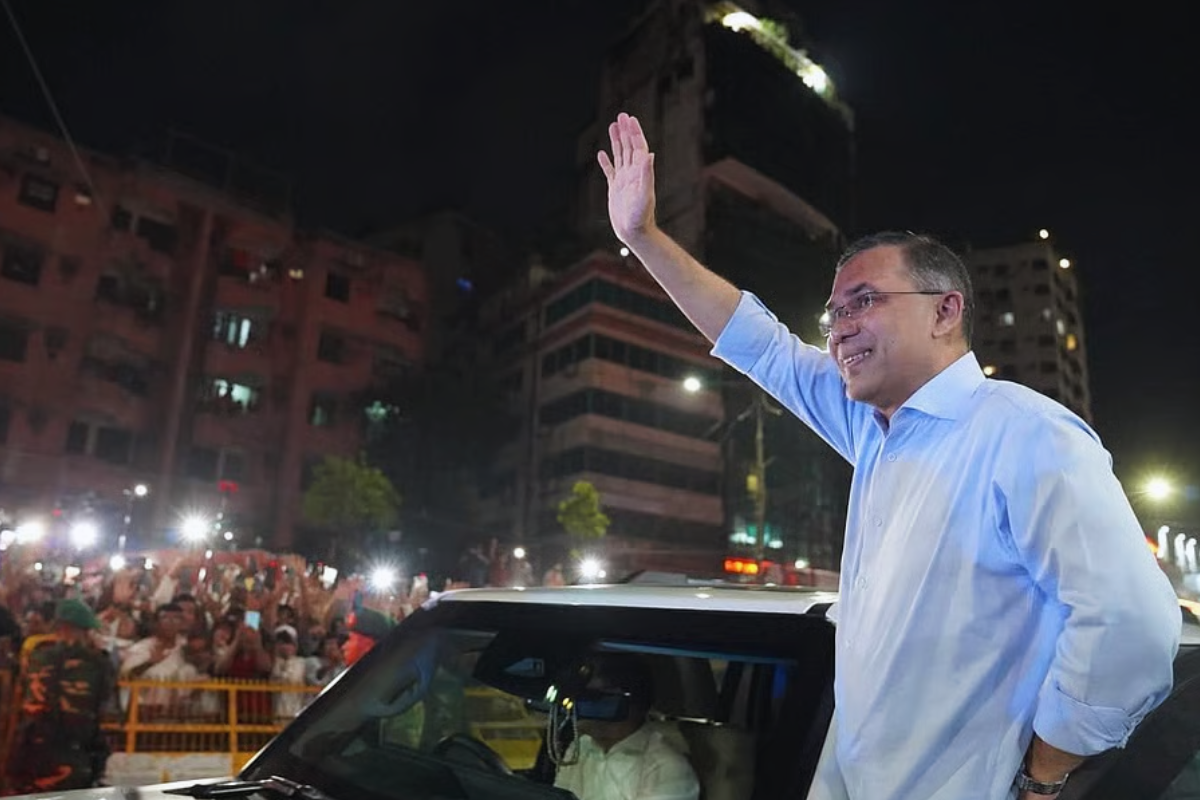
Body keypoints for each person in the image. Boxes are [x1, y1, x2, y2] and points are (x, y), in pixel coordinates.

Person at [597, 112, 1181, 800]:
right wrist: (644, 236)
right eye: (834, 312)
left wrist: (1046, 773)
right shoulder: (873, 430)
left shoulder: (1024, 434)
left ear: (944, 311)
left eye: (864, 302)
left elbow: (1132, 624)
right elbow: (761, 344)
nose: (840, 329)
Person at [551, 653, 699, 800]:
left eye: (592, 697)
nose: (575, 704)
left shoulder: (666, 766)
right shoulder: (580, 747)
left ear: (627, 702)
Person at [4, 599, 114, 794]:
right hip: (75, 748)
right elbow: (105, 707)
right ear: (85, 630)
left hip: (32, 745)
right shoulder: (98, 662)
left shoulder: (36, 656)